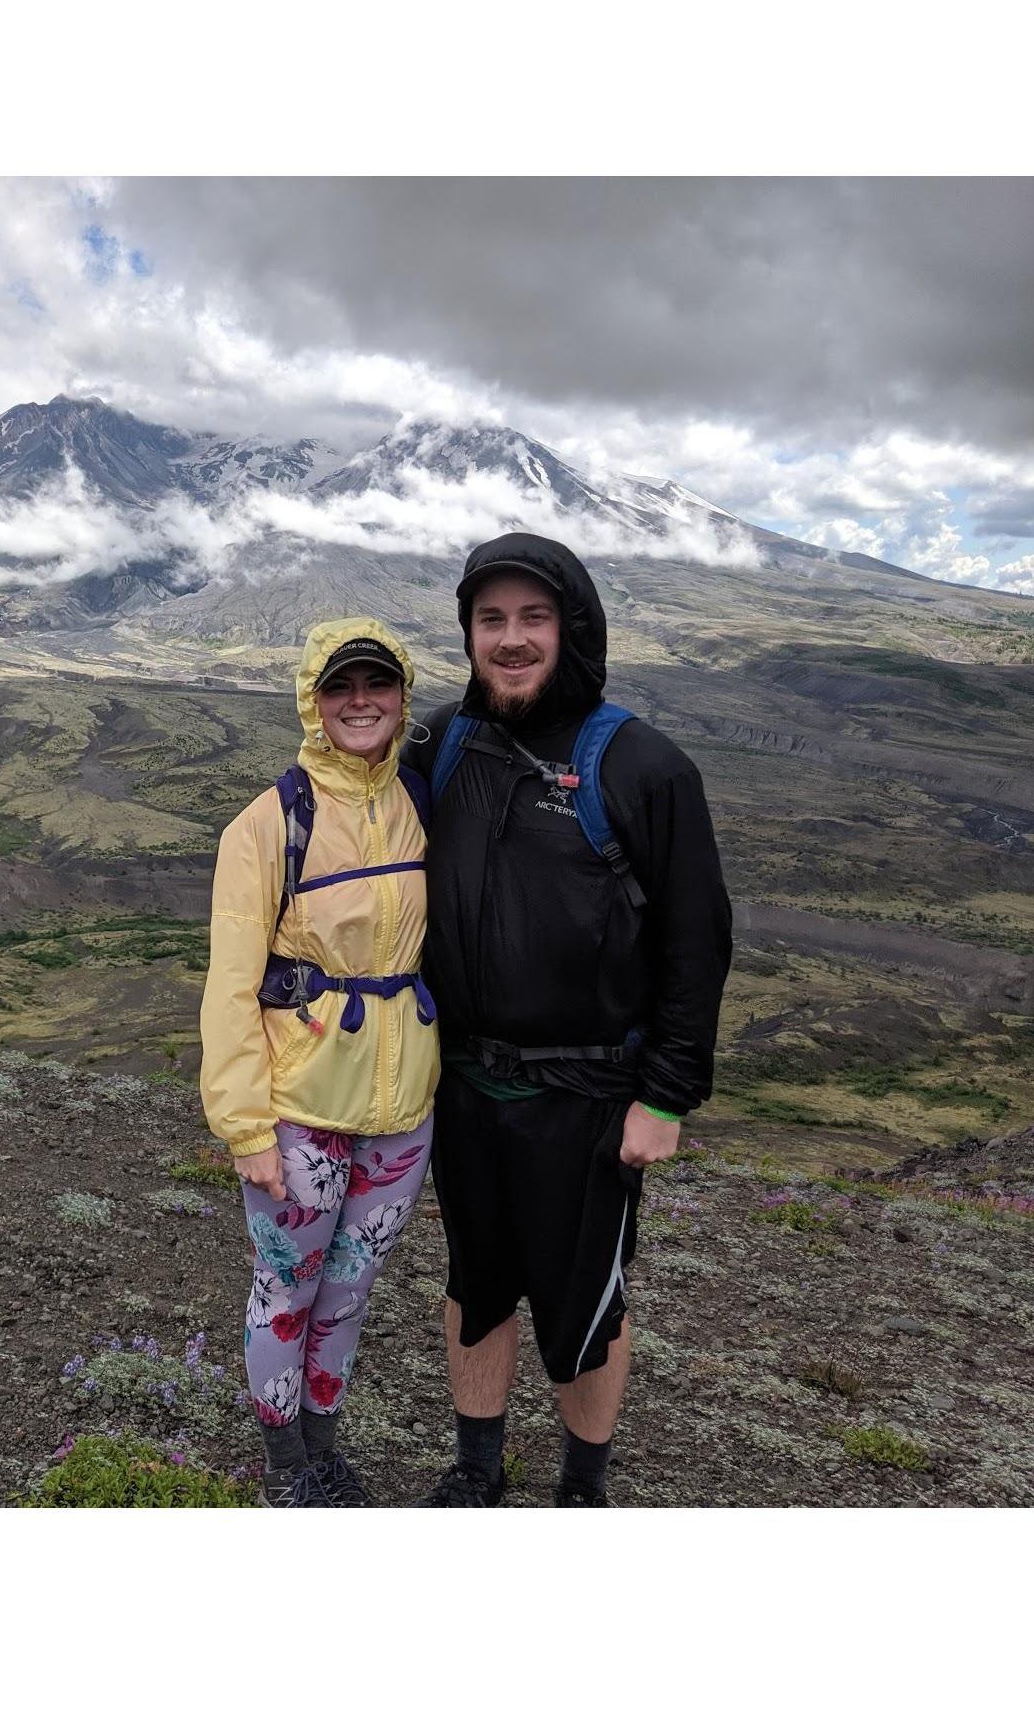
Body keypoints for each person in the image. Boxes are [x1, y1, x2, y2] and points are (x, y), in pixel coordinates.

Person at [403, 533, 732, 1507]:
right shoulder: (440, 745)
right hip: (464, 1083)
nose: (510, 639)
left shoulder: (643, 768)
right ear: (468, 632)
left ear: (573, 627)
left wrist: (665, 1097)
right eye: (490, 619)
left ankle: (582, 1489)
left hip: (590, 1095)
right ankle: (477, 1468)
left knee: (586, 1295)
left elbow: (697, 943)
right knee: (478, 1279)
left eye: (532, 618)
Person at [200, 617, 442, 1507]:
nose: (360, 702)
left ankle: (325, 1449)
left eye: (377, 685)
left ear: (402, 696)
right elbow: (228, 989)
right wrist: (245, 1130)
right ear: (312, 701)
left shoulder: (422, 802)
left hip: (403, 1113)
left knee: (349, 1294)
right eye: (340, 687)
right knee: (288, 1292)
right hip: (300, 1109)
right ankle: (285, 1470)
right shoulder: (268, 825)